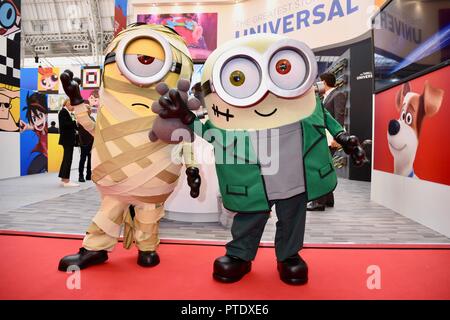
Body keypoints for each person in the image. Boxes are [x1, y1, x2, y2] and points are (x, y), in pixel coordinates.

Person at [151, 34, 367, 285]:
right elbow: (210, 132)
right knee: (249, 218)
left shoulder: (306, 105)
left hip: (294, 175)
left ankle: (289, 256)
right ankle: (240, 255)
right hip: (253, 181)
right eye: (238, 78)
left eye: (282, 69)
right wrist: (185, 117)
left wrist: (344, 139)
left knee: (293, 216)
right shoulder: (229, 121)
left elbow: (323, 118)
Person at [307, 72, 347, 212]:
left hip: (331, 139)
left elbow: (338, 116)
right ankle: (328, 200)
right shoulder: (324, 97)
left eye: (319, 82)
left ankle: (319, 202)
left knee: (321, 167)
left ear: (324, 82)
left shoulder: (338, 94)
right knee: (326, 166)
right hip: (326, 138)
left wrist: (338, 137)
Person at [20, 92, 49, 174]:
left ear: (46, 115)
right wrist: (26, 127)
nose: (37, 121)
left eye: (40, 115)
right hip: (44, 155)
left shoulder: (48, 127)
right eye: (34, 118)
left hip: (53, 155)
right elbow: (32, 126)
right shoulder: (38, 128)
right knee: (32, 171)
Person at [58, 99, 79, 187]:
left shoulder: (66, 112)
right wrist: (75, 122)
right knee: (68, 159)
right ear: (68, 104)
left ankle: (63, 178)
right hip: (67, 139)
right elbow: (64, 125)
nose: (74, 108)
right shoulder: (63, 112)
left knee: (66, 159)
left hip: (68, 139)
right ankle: (66, 180)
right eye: (73, 105)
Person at [77, 105, 94, 182]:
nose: (89, 110)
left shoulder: (92, 118)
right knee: (83, 159)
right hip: (83, 142)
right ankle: (81, 175)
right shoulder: (81, 119)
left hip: (91, 141)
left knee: (90, 159)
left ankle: (88, 175)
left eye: (89, 109)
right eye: (87, 109)